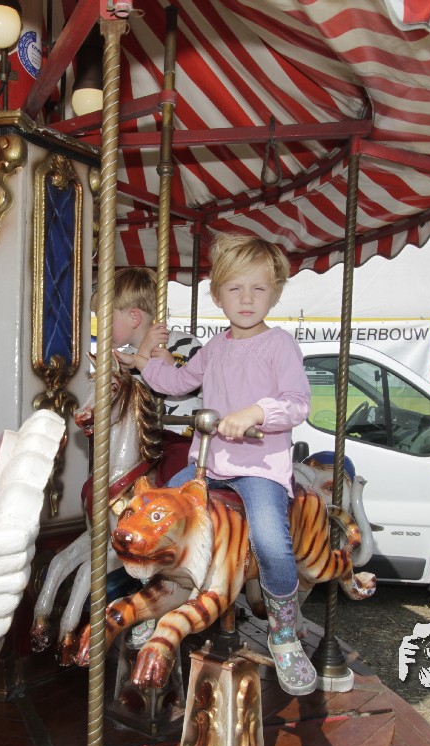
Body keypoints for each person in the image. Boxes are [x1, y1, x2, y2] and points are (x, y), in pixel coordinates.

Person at [117, 233, 313, 695]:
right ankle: (162, 603)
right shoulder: (215, 348)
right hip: (210, 465)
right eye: (235, 289)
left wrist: (256, 412)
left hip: (259, 469)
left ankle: (284, 632)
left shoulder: (279, 345)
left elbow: (298, 402)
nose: (246, 299)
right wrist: (147, 361)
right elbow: (178, 382)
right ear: (217, 295)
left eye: (258, 289)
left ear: (275, 294)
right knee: (161, 515)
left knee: (272, 542)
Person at [110, 267, 202, 486]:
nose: (102, 326)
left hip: (181, 435)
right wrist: (142, 354)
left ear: (134, 317)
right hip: (138, 441)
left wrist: (172, 367)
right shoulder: (123, 358)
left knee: (172, 479)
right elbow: (128, 401)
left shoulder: (184, 344)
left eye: (107, 318)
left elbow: (205, 386)